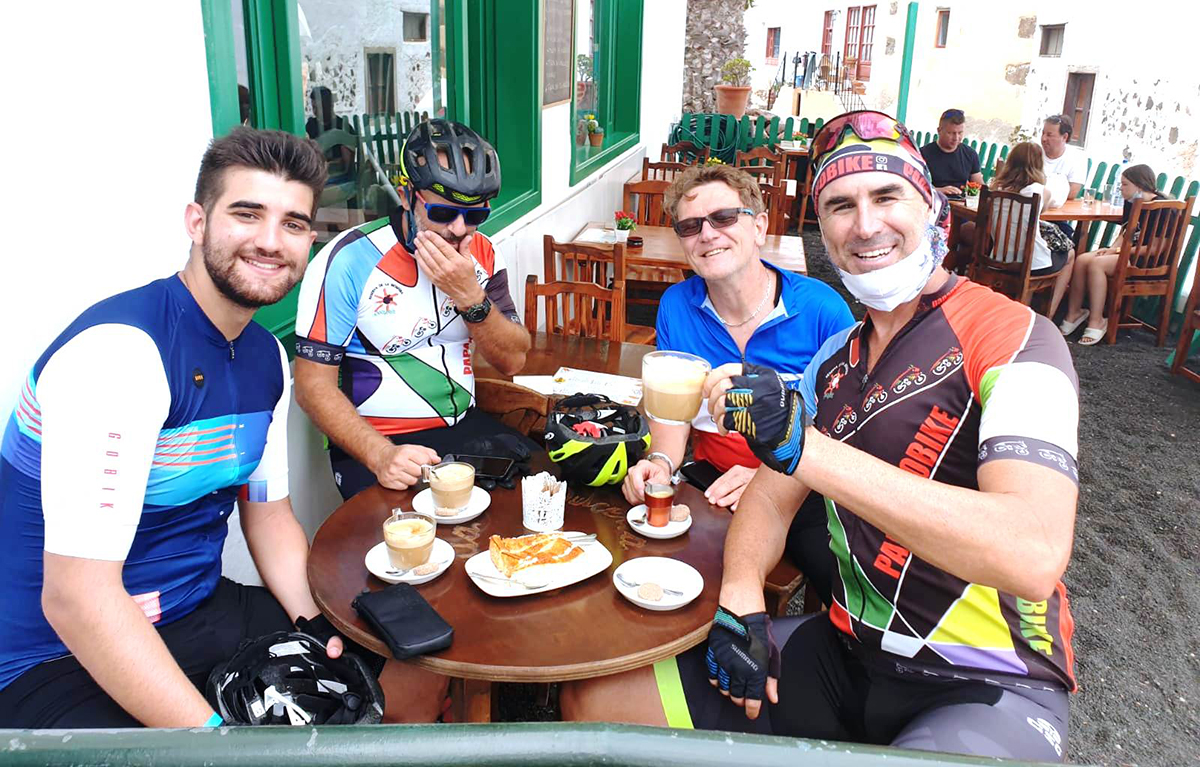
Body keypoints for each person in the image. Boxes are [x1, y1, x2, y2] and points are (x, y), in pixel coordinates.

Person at [562, 111, 1079, 763]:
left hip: (986, 677)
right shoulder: (834, 358)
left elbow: (1031, 553)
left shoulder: (1017, 337)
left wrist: (805, 446)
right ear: (823, 232)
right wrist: (743, 597)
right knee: (592, 707)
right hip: (845, 650)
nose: (864, 224)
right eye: (839, 205)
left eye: (886, 197)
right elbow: (772, 498)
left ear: (933, 206)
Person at [0, 127, 439, 727]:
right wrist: (215, 743)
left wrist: (314, 627)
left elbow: (270, 516)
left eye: (292, 223)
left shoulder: (264, 358)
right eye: (246, 213)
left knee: (396, 666)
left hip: (196, 608)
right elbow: (77, 598)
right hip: (52, 655)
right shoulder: (120, 356)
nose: (269, 241)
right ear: (196, 221)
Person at [621, 163, 854, 604]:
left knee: (841, 585)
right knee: (648, 562)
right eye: (690, 226)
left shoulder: (823, 309)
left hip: (805, 487)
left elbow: (848, 431)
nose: (707, 234)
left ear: (759, 225)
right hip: (711, 484)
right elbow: (672, 423)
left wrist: (771, 478)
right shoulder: (677, 305)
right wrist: (659, 465)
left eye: (724, 217)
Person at [294, 118, 531, 501]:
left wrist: (472, 298)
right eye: (442, 213)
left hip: (463, 428)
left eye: (475, 216)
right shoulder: (349, 258)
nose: (459, 229)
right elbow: (311, 385)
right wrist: (381, 454)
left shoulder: (484, 254)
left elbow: (514, 360)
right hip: (379, 439)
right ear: (406, 196)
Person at [1060, 163, 1171, 345]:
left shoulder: (1165, 208)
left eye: (1125, 184)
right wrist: (1111, 248)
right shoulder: (1132, 203)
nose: (1121, 188)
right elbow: (1126, 233)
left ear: (1140, 185)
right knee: (1082, 259)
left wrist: (1119, 251)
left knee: (1097, 264)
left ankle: (1098, 320)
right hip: (1125, 254)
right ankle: (1075, 312)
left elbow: (1154, 249)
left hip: (1145, 261)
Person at [987, 142, 1075, 317]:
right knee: (1070, 255)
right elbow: (1042, 211)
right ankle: (1048, 315)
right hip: (1029, 264)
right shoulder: (1041, 191)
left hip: (997, 258)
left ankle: (1018, 310)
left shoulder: (996, 189)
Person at [1040, 114, 1089, 246]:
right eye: (1043, 133)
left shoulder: (1076, 158)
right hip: (1027, 215)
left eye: (1049, 135)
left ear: (1065, 137)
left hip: (1056, 219)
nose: (1044, 138)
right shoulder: (1034, 152)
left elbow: (1072, 192)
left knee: (1067, 246)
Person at [919, 109, 982, 196]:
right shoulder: (922, 154)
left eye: (960, 133)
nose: (956, 138)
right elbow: (915, 186)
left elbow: (979, 186)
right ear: (939, 131)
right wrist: (937, 190)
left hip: (961, 204)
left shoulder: (970, 154)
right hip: (933, 202)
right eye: (951, 133)